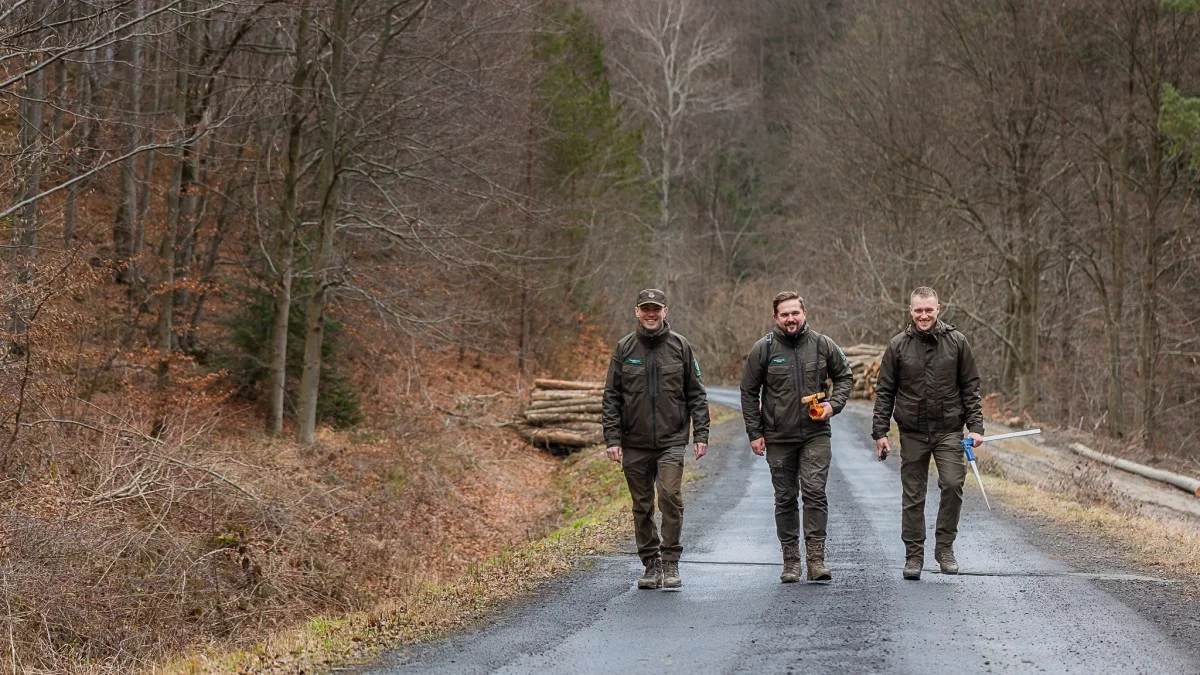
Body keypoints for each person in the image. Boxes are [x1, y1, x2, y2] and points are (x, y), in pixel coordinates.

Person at [872, 286, 984, 580]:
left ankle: (945, 548)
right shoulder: (897, 346)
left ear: (939, 309)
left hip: (949, 430)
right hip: (912, 431)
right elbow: (885, 391)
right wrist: (880, 432)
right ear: (911, 311)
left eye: (929, 309)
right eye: (918, 310)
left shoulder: (957, 342)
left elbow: (971, 387)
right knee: (913, 495)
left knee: (952, 483)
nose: (924, 315)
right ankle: (913, 555)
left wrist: (976, 427)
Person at [740, 291, 853, 583]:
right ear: (775, 317)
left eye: (795, 313)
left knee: (815, 493)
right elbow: (749, 392)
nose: (791, 319)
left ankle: (817, 561)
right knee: (786, 498)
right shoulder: (762, 349)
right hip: (778, 437)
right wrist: (755, 432)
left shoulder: (823, 344)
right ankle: (791, 562)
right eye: (784, 314)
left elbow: (845, 377)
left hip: (816, 434)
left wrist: (833, 405)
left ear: (805, 312)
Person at [602, 288, 709, 590]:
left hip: (672, 440)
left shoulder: (680, 347)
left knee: (670, 496)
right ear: (637, 311)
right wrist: (612, 438)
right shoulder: (624, 348)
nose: (651, 314)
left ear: (665, 312)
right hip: (634, 442)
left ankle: (671, 561)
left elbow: (696, 394)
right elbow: (611, 396)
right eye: (645, 309)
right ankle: (651, 563)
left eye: (656, 309)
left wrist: (701, 433)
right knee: (642, 504)